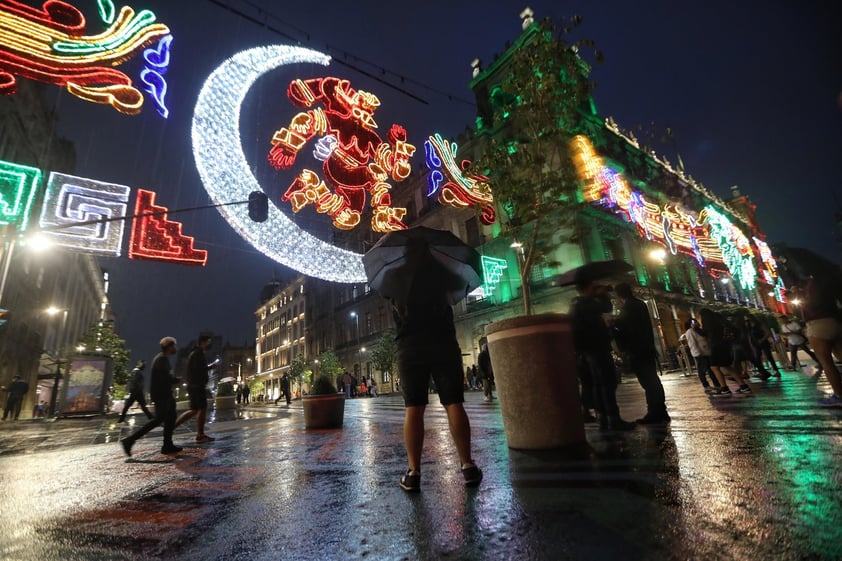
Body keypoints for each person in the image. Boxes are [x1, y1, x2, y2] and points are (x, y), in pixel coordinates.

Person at [392, 239, 482, 492]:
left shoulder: (395, 276)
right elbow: (457, 291)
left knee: (414, 408)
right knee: (454, 403)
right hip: (443, 342)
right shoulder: (443, 273)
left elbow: (391, 302)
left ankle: (413, 473)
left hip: (410, 347)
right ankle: (467, 466)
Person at [571, 278, 635, 431]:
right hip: (596, 349)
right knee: (607, 383)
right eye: (592, 286)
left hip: (589, 350)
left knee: (600, 384)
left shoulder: (577, 304)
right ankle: (612, 418)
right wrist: (602, 294)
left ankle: (605, 419)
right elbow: (606, 307)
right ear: (587, 288)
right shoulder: (585, 304)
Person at [613, 283, 670, 424]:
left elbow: (626, 330)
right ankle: (661, 411)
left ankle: (655, 412)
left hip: (638, 350)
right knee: (653, 380)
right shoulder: (640, 304)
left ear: (619, 295)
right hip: (647, 348)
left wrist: (615, 324)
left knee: (648, 382)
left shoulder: (627, 308)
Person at [120, 337, 184, 456]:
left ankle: (167, 445)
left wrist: (173, 381)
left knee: (171, 418)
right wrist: (176, 380)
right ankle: (129, 440)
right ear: (169, 347)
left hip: (165, 394)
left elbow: (164, 378)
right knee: (159, 419)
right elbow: (164, 378)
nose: (175, 348)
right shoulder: (161, 359)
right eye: (174, 346)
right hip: (162, 395)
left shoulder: (163, 359)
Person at [802, 276, 842, 406]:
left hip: (818, 323)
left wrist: (803, 298)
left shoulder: (813, 283)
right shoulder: (830, 279)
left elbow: (812, 302)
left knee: (827, 363)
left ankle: (839, 395)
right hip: (835, 320)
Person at [698, 309, 752, 394]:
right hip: (725, 346)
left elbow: (706, 334)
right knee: (727, 366)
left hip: (716, 347)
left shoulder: (709, 324)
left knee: (714, 367)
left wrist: (696, 329)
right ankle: (743, 386)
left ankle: (724, 387)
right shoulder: (720, 323)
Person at [174, 335, 215, 443]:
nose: (209, 345)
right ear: (202, 342)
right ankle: (200, 435)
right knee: (200, 409)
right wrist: (210, 367)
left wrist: (209, 367)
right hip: (197, 386)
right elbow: (199, 369)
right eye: (208, 342)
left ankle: (199, 434)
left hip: (195, 386)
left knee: (196, 410)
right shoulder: (197, 354)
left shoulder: (196, 353)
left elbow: (199, 369)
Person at [681, 319, 718, 393]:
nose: (696, 323)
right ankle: (706, 385)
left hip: (707, 352)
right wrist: (697, 353)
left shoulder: (699, 330)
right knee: (702, 370)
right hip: (700, 354)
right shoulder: (690, 332)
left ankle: (716, 384)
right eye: (693, 322)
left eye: (696, 321)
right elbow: (692, 343)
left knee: (711, 369)